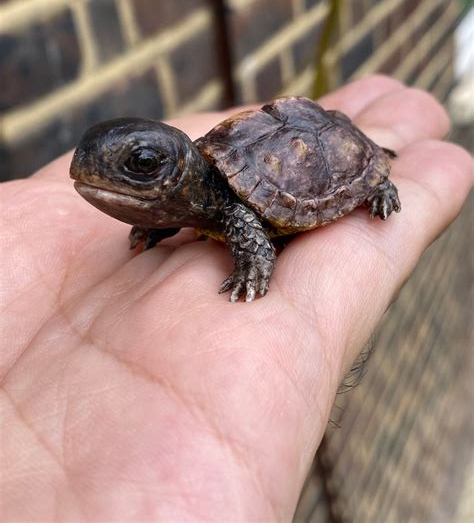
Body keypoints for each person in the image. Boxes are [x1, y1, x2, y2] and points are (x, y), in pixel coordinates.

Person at [1, 76, 472, 521]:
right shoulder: (195, 195)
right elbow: (189, 206)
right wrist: (155, 218)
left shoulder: (228, 201)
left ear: (180, 169)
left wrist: (254, 262)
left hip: (327, 153)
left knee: (266, 207)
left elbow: (241, 216)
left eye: (142, 165)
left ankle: (378, 176)